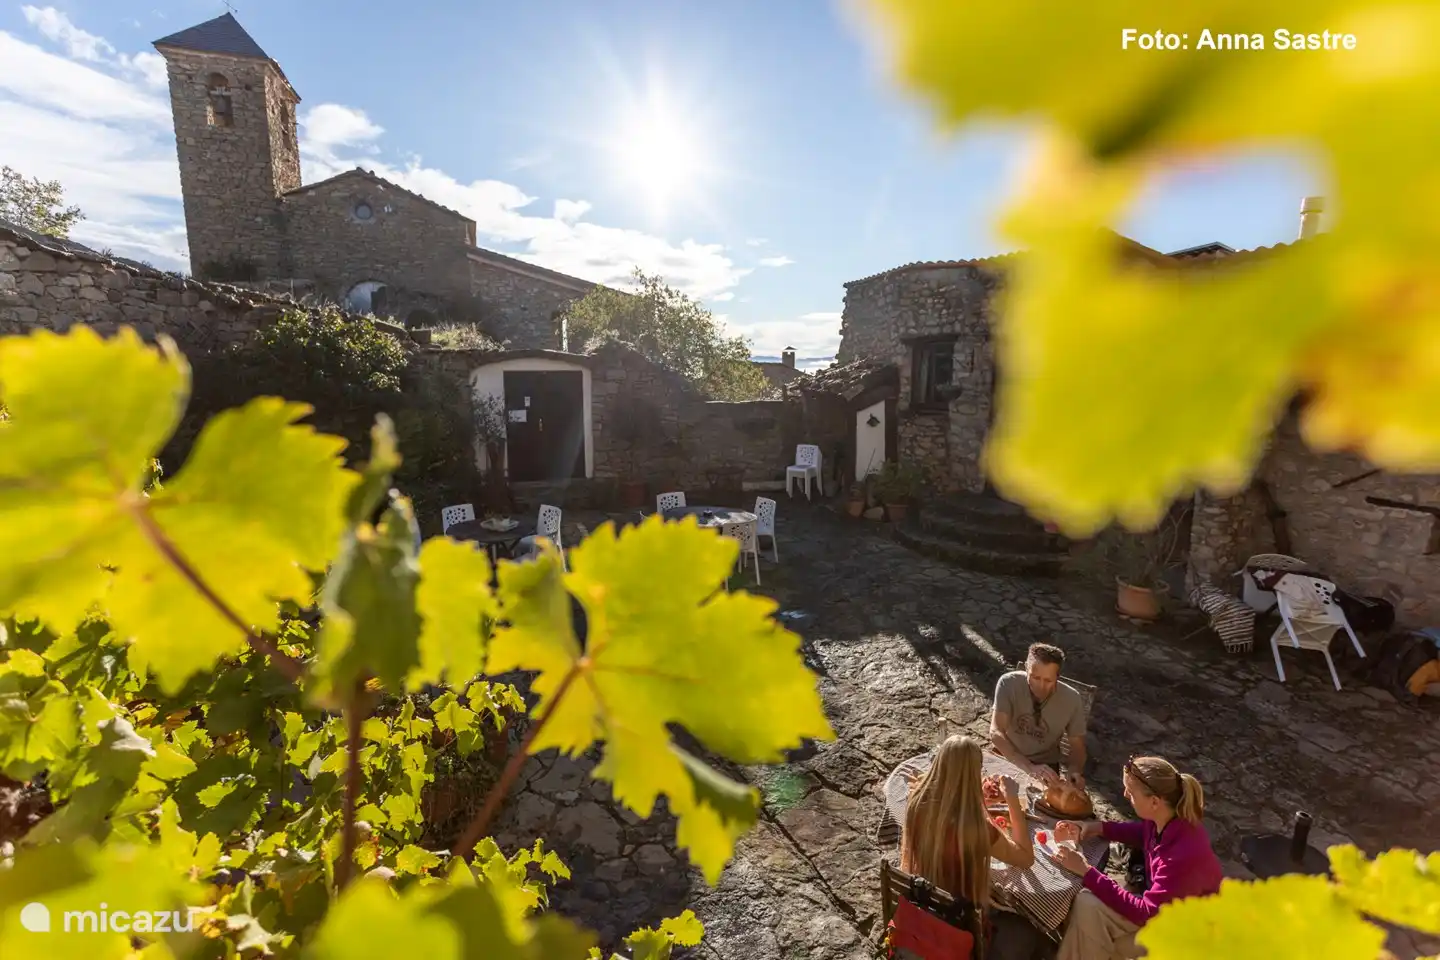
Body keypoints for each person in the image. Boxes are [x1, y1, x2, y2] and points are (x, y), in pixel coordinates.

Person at [1047, 756, 1223, 960]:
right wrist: (1096, 828)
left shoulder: (1181, 857)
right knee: (1088, 907)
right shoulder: (1167, 818)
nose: (1124, 795)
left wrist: (1086, 870)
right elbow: (1141, 833)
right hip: (1163, 912)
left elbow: (1146, 912)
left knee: (1100, 934)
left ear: (1154, 801)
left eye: (1130, 793)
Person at [899, 735, 1039, 959]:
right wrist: (1012, 800)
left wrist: (978, 799)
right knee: (1030, 933)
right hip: (959, 922)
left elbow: (946, 807)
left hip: (921, 906)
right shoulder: (976, 828)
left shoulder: (916, 803)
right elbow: (1025, 858)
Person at [990, 643, 1087, 787]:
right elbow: (996, 732)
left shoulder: (1072, 699)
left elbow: (1077, 748)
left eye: (1048, 681)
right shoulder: (1008, 683)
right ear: (1026, 670)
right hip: (1008, 754)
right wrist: (1028, 767)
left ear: (1058, 677)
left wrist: (1074, 771)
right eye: (1035, 678)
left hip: (1046, 765)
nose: (1040, 686)